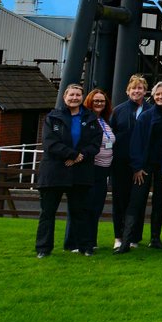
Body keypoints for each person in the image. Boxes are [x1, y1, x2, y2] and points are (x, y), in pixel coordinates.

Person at [35, 83, 101, 258]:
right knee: (47, 213)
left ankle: (84, 247)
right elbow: (50, 143)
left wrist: (80, 156)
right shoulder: (53, 117)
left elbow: (95, 144)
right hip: (54, 171)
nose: (74, 98)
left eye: (78, 95)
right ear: (65, 97)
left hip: (80, 171)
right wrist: (72, 155)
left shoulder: (91, 118)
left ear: (82, 97)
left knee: (81, 212)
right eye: (71, 95)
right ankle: (43, 248)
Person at [119, 80, 162, 253]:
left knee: (159, 202)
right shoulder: (146, 116)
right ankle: (126, 241)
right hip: (144, 166)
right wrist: (137, 167)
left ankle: (155, 238)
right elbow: (136, 142)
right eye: (158, 94)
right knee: (136, 202)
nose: (160, 96)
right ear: (153, 95)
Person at [63, 87, 114, 252]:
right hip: (89, 168)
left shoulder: (105, 121)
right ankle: (73, 242)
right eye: (96, 100)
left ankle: (90, 241)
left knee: (96, 207)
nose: (99, 103)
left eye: (102, 101)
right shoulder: (86, 120)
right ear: (89, 102)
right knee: (81, 206)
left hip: (103, 171)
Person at [108, 74, 148, 251]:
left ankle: (134, 237)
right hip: (121, 163)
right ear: (127, 91)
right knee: (120, 200)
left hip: (142, 165)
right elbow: (110, 136)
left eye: (140, 88)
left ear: (145, 91)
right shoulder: (118, 111)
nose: (137, 91)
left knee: (137, 202)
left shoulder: (150, 110)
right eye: (134, 88)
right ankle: (118, 236)